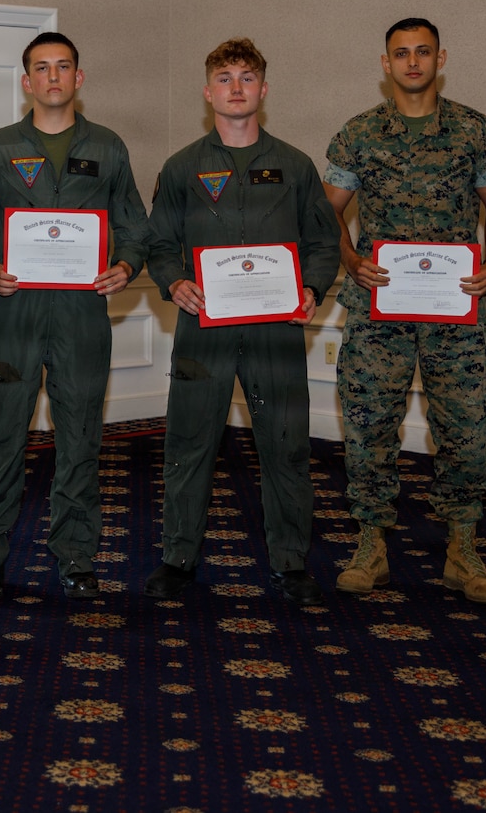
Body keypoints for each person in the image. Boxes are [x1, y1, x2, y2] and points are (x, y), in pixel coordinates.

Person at [325, 17, 486, 605]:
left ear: (440, 58)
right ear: (385, 63)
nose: (412, 62)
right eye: (401, 53)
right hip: (378, 309)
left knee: (463, 426)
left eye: (423, 52)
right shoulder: (358, 134)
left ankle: (463, 548)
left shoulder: (474, 131)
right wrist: (350, 257)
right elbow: (325, 210)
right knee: (367, 426)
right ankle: (370, 545)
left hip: (454, 309)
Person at [141, 38, 339, 606]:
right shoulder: (182, 168)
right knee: (189, 442)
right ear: (208, 93)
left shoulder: (296, 166)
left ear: (263, 90)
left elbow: (325, 242)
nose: (235, 87)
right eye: (224, 78)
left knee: (285, 445)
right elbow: (159, 243)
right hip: (203, 327)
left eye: (246, 78)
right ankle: (178, 557)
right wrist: (173, 280)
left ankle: (291, 560)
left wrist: (311, 286)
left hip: (276, 331)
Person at [0, 32, 152, 600]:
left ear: (79, 78)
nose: (52, 77)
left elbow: (136, 225)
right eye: (40, 68)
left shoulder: (109, 146)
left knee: (80, 438)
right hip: (14, 311)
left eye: (62, 67)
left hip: (82, 314)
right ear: (26, 81)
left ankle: (76, 556)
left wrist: (124, 265)